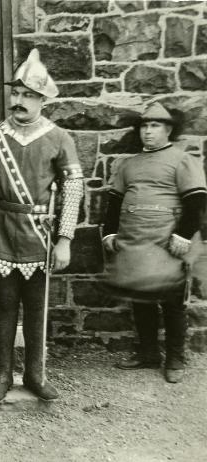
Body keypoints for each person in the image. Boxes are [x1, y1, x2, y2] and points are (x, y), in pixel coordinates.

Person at [0, 49, 84, 403]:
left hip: (41, 232)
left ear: (43, 100)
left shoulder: (59, 137)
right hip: (3, 227)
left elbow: (73, 188)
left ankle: (34, 373)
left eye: (28, 95)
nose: (18, 101)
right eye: (15, 93)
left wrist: (64, 239)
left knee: (37, 306)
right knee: (5, 303)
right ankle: (1, 374)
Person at [103, 102, 207, 383]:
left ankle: (176, 358)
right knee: (141, 298)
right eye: (144, 126)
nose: (147, 132)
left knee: (173, 302)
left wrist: (184, 235)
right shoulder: (128, 164)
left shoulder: (182, 160)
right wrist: (110, 233)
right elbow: (114, 203)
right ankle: (149, 354)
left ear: (168, 130)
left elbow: (196, 202)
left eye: (155, 126)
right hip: (136, 241)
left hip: (168, 241)